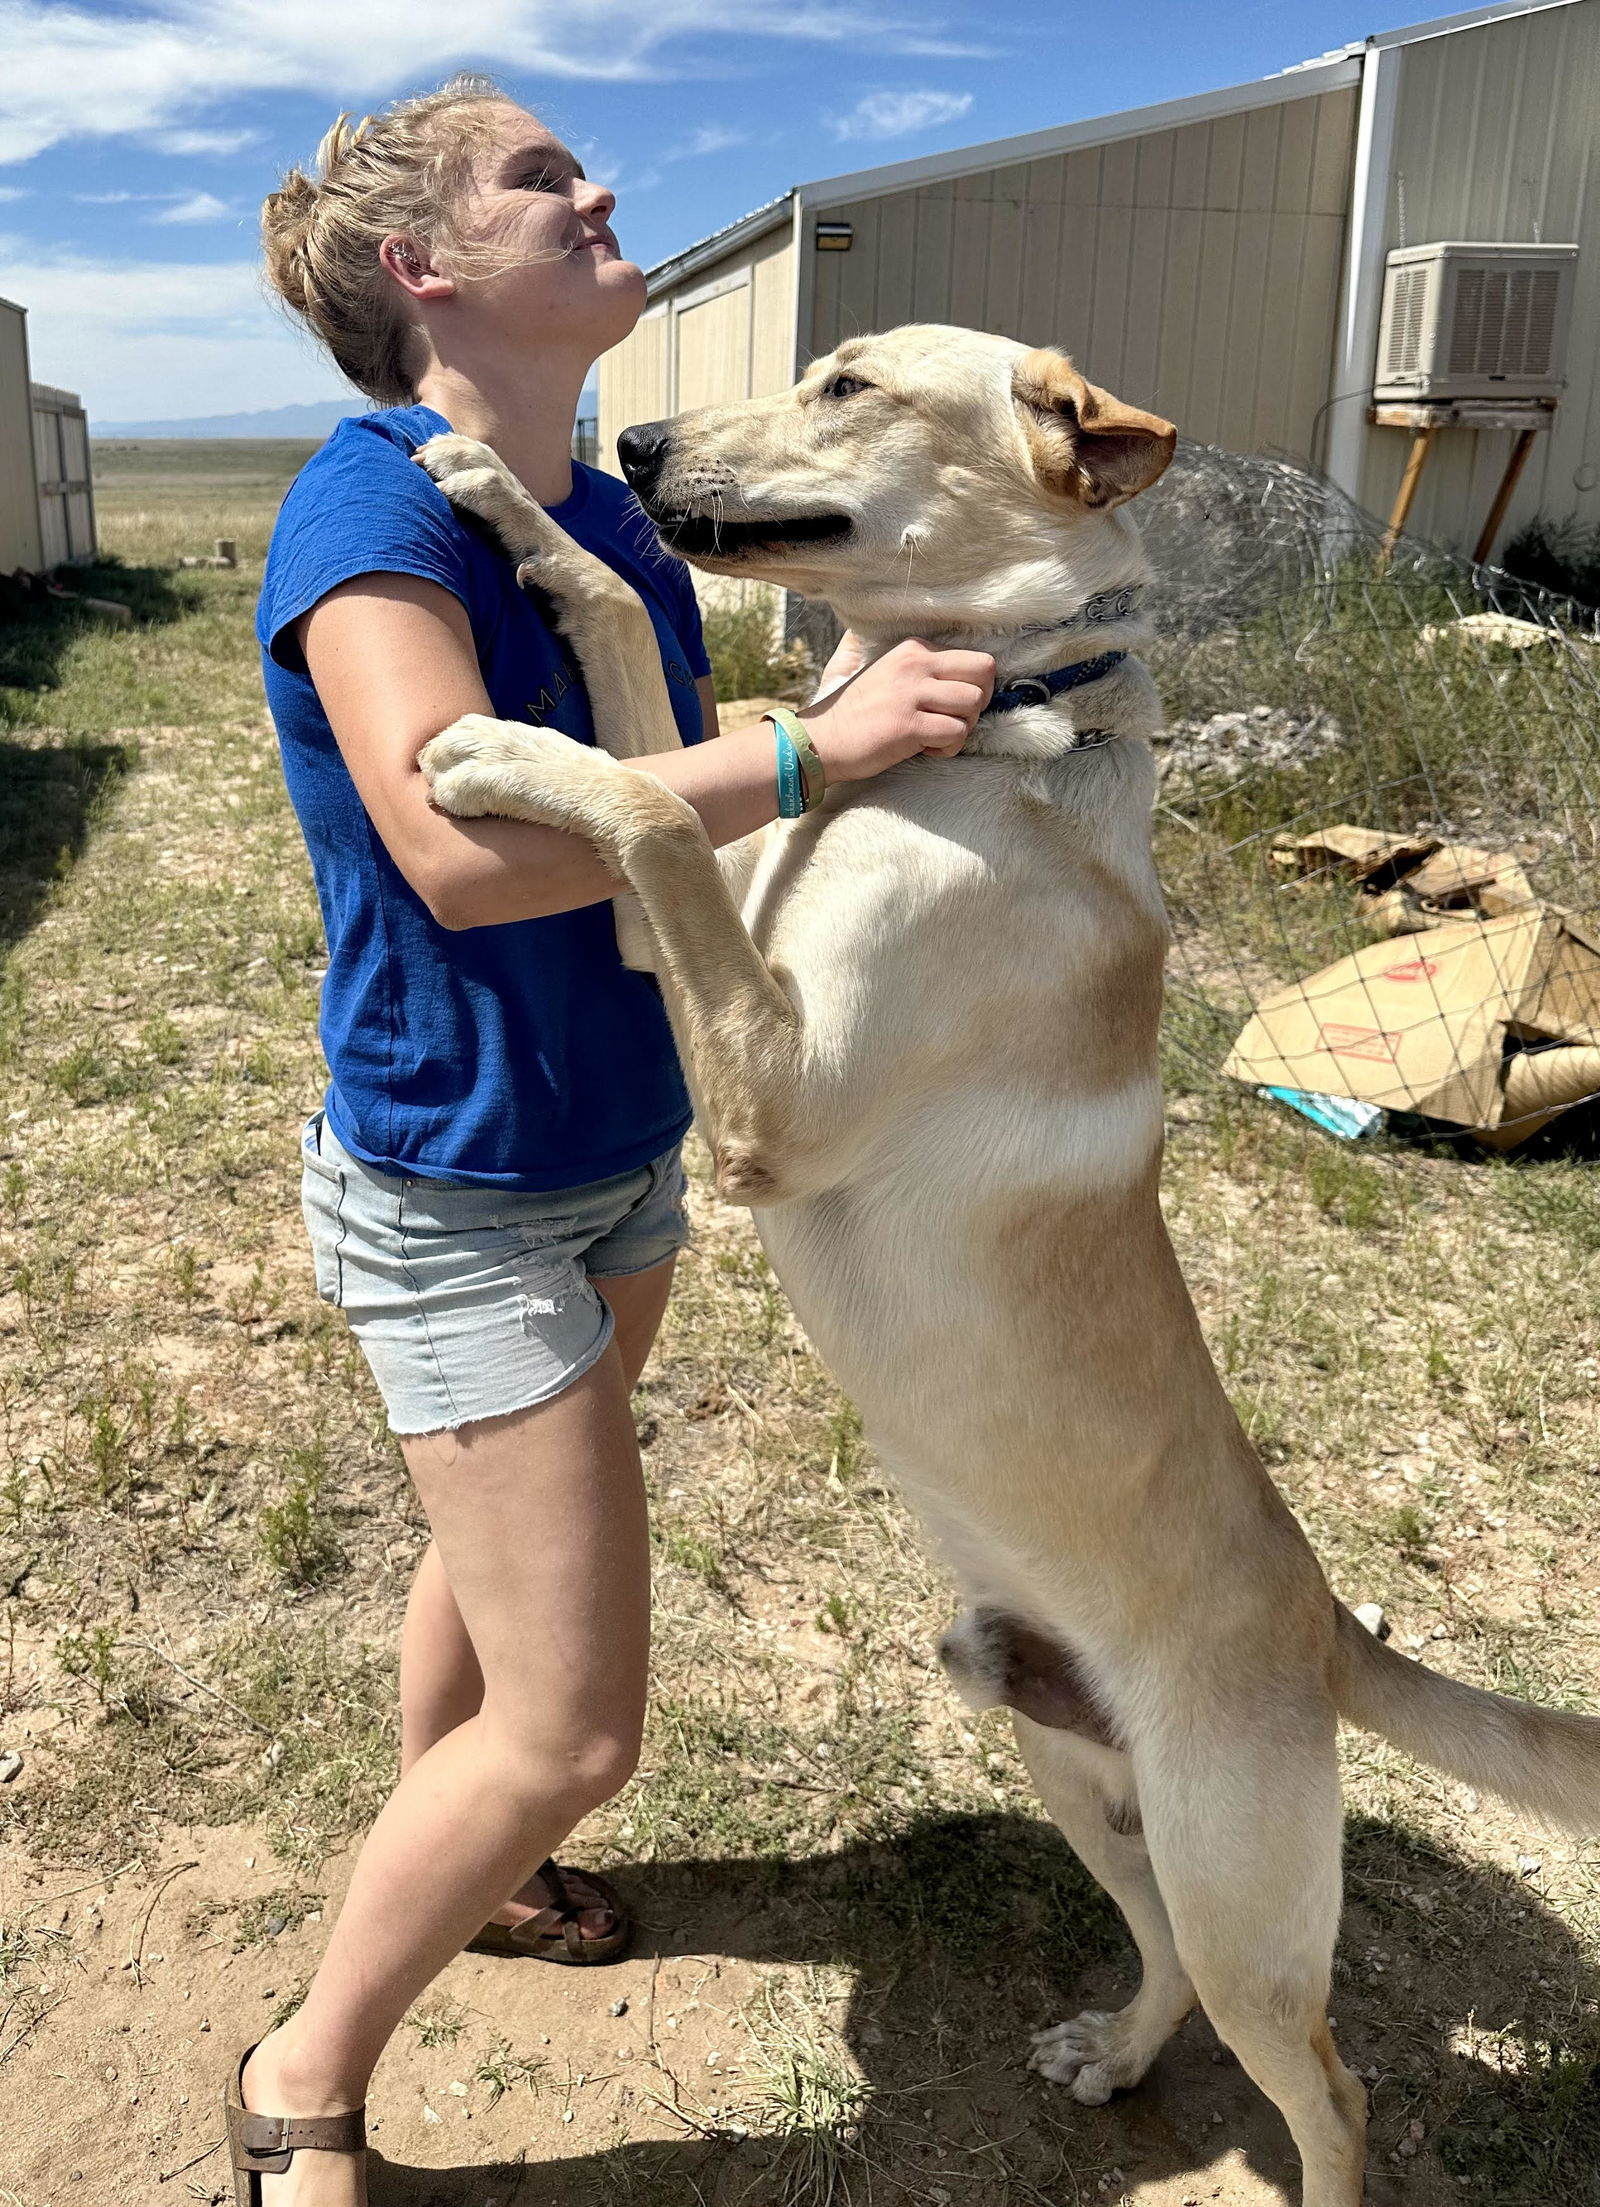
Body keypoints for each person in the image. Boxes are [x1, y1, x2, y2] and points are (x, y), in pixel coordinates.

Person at [241, 76, 994, 2205]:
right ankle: (301, 2077)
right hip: (463, 1185)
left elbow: (655, 789)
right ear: (426, 273)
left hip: (612, 1147)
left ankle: (462, 1867)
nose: (600, 194)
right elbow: (463, 854)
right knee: (574, 1733)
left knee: (488, 1614)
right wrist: (812, 749)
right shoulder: (372, 513)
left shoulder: (594, 519)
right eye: (541, 179)